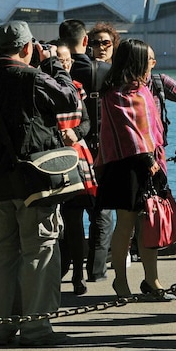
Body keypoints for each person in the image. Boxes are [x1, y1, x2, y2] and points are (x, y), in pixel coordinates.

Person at [0, 21, 79, 347]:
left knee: (3, 254)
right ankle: (36, 329)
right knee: (39, 250)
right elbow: (69, 100)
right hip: (34, 181)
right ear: (28, 47)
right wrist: (54, 64)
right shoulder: (34, 77)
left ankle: (2, 327)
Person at [97, 38, 175, 301]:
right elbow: (126, 135)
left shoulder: (143, 90)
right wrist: (147, 158)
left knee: (149, 222)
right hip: (125, 167)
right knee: (126, 225)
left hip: (150, 165)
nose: (151, 64)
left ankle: (152, 279)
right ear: (136, 61)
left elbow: (152, 131)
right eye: (147, 59)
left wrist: (155, 161)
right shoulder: (114, 94)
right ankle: (121, 280)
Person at [59, 19, 112, 284]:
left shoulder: (55, 73)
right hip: (101, 149)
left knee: (70, 212)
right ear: (86, 41)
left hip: (66, 151)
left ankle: (69, 268)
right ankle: (97, 269)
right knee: (102, 212)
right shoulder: (108, 71)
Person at [52, 40, 96, 296]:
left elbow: (88, 121)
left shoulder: (78, 89)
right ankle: (56, 271)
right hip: (51, 158)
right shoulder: (42, 88)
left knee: (74, 220)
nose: (64, 64)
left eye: (67, 59)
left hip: (77, 157)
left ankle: (78, 274)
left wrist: (76, 132)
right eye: (59, 59)